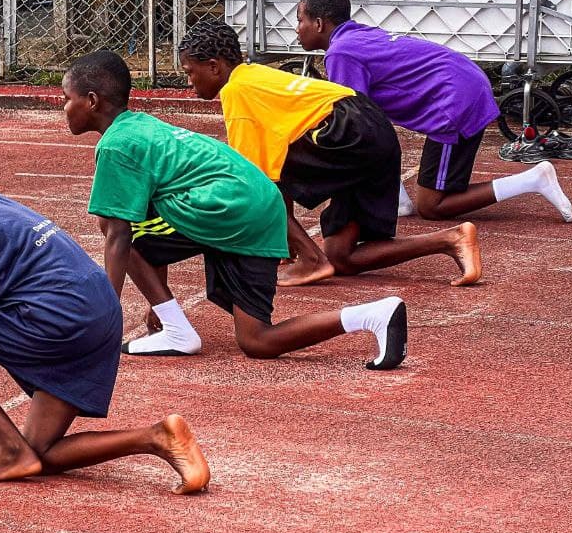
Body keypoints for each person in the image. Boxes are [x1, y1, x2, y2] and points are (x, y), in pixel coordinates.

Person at [0, 126, 211, 492]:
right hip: (98, 315)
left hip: (61, 324)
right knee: (37, 455)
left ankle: (10, 447)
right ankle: (158, 437)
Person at [64, 49, 409, 369]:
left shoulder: (116, 144)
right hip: (255, 203)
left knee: (115, 225)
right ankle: (372, 316)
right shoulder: (141, 125)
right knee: (257, 340)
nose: (63, 106)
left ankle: (176, 330)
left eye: (67, 99)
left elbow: (120, 235)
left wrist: (105, 319)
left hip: (231, 209)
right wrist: (158, 303)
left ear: (92, 101)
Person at [176, 21, 483, 289]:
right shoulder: (255, 74)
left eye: (191, 72)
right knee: (342, 256)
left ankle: (311, 258)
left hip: (346, 130)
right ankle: (451, 239)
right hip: (371, 128)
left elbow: (258, 182)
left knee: (251, 178)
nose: (189, 82)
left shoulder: (237, 91)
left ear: (215, 66)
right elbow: (271, 169)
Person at [295, 0, 572, 225]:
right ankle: (398, 201)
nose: (297, 30)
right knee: (369, 135)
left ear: (318, 24)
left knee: (432, 206)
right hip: (463, 84)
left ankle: (534, 179)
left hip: (455, 98)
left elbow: (355, 123)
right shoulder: (354, 37)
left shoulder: (341, 53)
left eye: (300, 20)